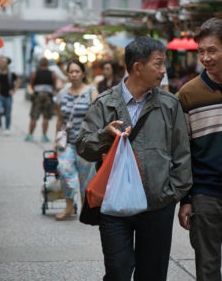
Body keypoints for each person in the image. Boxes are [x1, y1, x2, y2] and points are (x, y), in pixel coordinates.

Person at [75, 36, 192, 281]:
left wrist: (172, 193)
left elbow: (182, 153)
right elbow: (84, 147)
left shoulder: (169, 105)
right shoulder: (105, 103)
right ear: (137, 67)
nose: (164, 71)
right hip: (115, 204)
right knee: (118, 270)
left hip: (157, 205)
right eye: (158, 64)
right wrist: (104, 135)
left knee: (152, 274)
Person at [178, 18, 222, 281]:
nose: (206, 57)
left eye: (213, 50)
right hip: (206, 194)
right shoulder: (187, 95)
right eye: (201, 51)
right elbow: (183, 152)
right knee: (207, 268)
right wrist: (186, 199)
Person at [54, 59, 98, 220]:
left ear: (83, 74)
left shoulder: (91, 92)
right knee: (65, 170)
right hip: (67, 143)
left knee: (86, 177)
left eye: (77, 71)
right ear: (67, 74)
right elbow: (60, 119)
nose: (74, 75)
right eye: (71, 72)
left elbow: (97, 118)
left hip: (86, 143)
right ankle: (69, 206)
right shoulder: (62, 93)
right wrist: (56, 139)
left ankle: (84, 208)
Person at [24, 57, 56, 142]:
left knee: (33, 116)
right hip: (48, 96)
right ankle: (44, 135)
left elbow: (31, 84)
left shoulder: (35, 73)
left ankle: (30, 135)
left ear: (39, 63)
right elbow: (54, 86)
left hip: (37, 97)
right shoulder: (52, 73)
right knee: (46, 117)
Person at [0, 57, 21, 135]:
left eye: (4, 62)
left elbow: (18, 81)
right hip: (0, 96)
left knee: (8, 113)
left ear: (7, 64)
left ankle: (7, 128)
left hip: (8, 96)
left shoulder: (11, 74)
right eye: (1, 62)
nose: (1, 63)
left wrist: (14, 90)